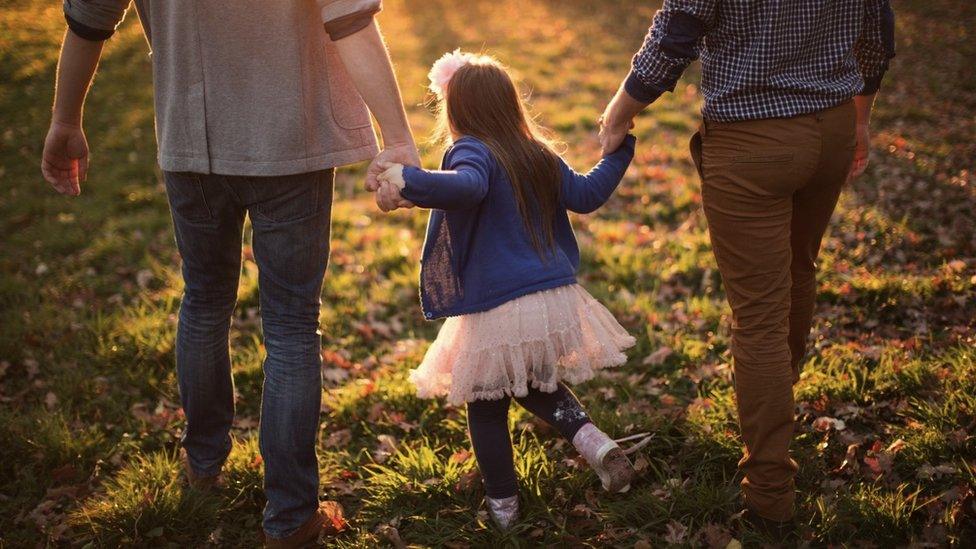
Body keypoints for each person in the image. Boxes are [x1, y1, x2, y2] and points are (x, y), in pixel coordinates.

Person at [41, 1, 416, 546]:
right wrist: (398, 135)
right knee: (289, 326)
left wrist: (64, 119)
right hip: (291, 140)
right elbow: (351, 18)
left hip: (191, 139)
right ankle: (290, 520)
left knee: (205, 301)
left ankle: (202, 467)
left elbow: (87, 20)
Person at [597, 0, 896, 536]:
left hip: (753, 138)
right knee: (798, 274)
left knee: (759, 315)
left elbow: (678, 30)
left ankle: (770, 494)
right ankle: (775, 411)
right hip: (830, 128)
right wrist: (861, 119)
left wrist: (620, 112)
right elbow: (876, 32)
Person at [374, 50, 638, 529]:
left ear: (458, 111)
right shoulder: (535, 152)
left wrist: (408, 178)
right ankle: (592, 441)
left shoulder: (470, 150)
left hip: (500, 303)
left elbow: (470, 186)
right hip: (550, 297)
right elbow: (586, 195)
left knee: (485, 404)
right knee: (536, 382)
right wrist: (618, 153)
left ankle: (503, 509)